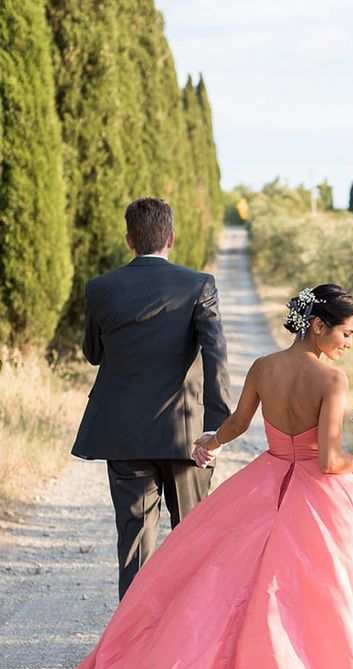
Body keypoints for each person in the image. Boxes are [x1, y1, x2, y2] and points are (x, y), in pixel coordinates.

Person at [57, 284, 353, 669]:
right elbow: (328, 462)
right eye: (346, 333)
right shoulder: (331, 380)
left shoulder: (263, 366)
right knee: (328, 594)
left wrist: (208, 443)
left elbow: (236, 424)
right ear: (318, 325)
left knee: (231, 579)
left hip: (263, 480)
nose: (350, 344)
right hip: (314, 494)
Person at [71, 197, 231, 600]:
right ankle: (188, 640)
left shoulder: (100, 288)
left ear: (129, 239)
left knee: (135, 549)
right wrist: (216, 428)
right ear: (171, 237)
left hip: (124, 437)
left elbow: (93, 353)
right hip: (187, 437)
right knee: (192, 543)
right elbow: (216, 356)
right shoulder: (199, 285)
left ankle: (131, 647)